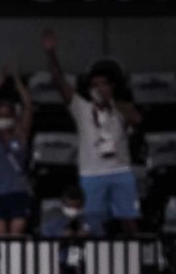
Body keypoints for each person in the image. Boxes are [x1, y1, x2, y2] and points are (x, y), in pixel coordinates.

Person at [44, 29, 142, 233]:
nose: (99, 88)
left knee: (129, 219)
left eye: (103, 85)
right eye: (95, 85)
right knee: (92, 221)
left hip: (120, 171)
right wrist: (51, 53)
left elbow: (137, 118)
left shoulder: (120, 108)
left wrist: (111, 102)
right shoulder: (82, 108)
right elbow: (59, 82)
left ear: (111, 87)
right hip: (92, 173)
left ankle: (135, 260)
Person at [37, 185, 111, 274]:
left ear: (82, 204)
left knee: (103, 270)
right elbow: (44, 238)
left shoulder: (92, 220)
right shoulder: (53, 220)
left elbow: (102, 238)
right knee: (47, 273)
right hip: (60, 259)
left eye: (76, 206)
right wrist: (62, 236)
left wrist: (87, 235)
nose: (72, 210)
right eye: (69, 205)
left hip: (87, 259)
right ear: (63, 202)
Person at [0, 68, 35, 235]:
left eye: (8, 115)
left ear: (13, 118)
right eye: (0, 115)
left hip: (18, 191)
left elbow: (28, 108)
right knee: (0, 237)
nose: (4, 119)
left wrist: (17, 81)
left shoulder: (20, 135)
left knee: (16, 237)